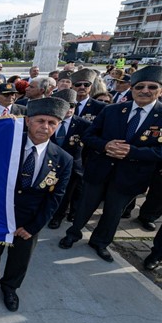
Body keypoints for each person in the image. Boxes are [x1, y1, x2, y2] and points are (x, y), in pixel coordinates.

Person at [0, 97, 72, 312]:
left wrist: (34, 227)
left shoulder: (63, 159)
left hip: (29, 220)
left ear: (58, 126)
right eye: (40, 121)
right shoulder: (6, 143)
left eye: (51, 123)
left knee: (20, 258)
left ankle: (10, 288)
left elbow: (56, 197)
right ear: (28, 121)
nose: (45, 127)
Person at [59, 66, 162, 262]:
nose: (145, 91)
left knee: (113, 213)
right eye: (140, 86)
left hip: (131, 175)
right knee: (85, 206)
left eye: (152, 86)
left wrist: (133, 151)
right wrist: (106, 145)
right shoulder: (113, 110)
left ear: (160, 90)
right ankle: (73, 234)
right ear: (132, 89)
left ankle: (100, 242)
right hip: (100, 169)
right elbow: (89, 136)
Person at [47, 89, 92, 229]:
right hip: (48, 165)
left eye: (72, 105)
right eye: (64, 105)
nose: (68, 109)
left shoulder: (83, 125)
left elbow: (88, 149)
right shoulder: (46, 121)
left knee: (64, 194)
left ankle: (58, 216)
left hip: (72, 167)